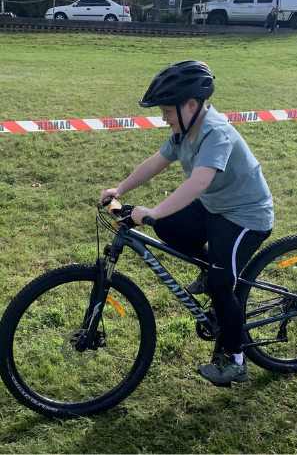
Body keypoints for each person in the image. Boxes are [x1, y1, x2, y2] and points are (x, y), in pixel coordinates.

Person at [99, 60, 274, 386]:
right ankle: (212, 267)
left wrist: (154, 210)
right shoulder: (183, 132)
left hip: (246, 216)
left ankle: (235, 362)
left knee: (223, 287)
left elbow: (198, 183)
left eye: (167, 111)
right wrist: (120, 189)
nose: (163, 118)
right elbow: (155, 162)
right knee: (166, 227)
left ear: (191, 105)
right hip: (215, 208)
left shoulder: (215, 132)